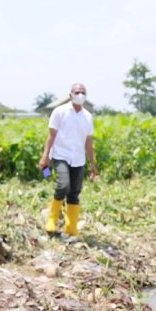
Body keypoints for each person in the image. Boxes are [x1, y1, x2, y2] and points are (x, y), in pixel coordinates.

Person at [38, 83, 98, 238]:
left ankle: (70, 227)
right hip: (60, 155)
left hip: (78, 159)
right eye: (77, 92)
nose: (80, 95)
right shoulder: (60, 111)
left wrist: (92, 164)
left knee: (74, 192)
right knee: (63, 185)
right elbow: (51, 135)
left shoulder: (87, 116)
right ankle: (52, 219)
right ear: (70, 94)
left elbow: (88, 142)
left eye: (83, 92)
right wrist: (45, 156)